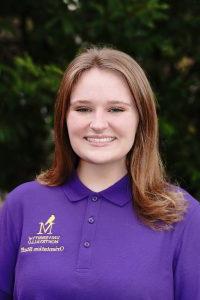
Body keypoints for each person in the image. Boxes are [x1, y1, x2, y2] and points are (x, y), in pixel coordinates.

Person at [0, 46, 200, 300]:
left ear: (142, 119)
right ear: (64, 117)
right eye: (83, 109)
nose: (97, 124)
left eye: (116, 109)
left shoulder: (183, 217)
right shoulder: (22, 205)